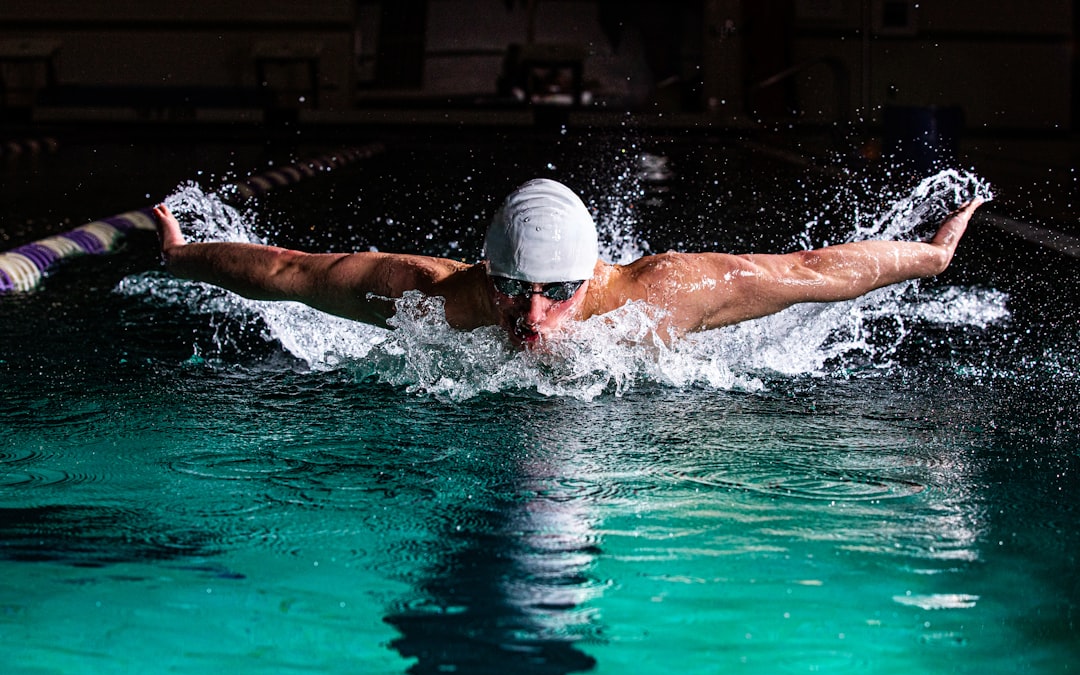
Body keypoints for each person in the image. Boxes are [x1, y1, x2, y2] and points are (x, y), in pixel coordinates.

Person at [154, 178, 984, 347]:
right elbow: (291, 271)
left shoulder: (662, 295)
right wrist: (187, 256)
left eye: (557, 296)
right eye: (516, 293)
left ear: (592, 278)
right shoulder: (439, 299)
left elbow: (809, 271)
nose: (535, 320)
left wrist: (930, 258)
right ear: (488, 275)